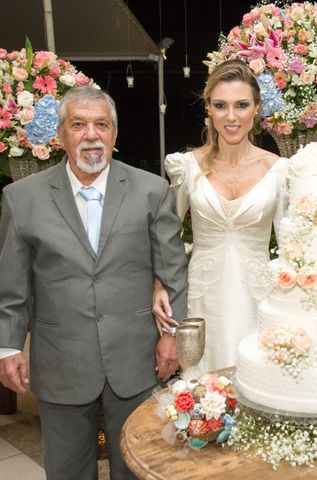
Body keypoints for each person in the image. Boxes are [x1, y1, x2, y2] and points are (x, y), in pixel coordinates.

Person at [0, 86, 188, 479]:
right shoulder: (22, 198)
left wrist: (171, 337)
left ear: (114, 134)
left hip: (138, 360)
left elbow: (172, 273)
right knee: (67, 471)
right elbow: (12, 288)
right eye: (79, 124)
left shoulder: (151, 191)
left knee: (137, 467)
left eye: (101, 124)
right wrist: (7, 346)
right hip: (61, 361)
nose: (91, 135)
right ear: (61, 134)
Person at [156, 59, 287, 372]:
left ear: (257, 109)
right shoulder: (186, 166)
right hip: (202, 299)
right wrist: (160, 285)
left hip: (258, 299)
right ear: (209, 109)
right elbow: (165, 236)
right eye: (221, 105)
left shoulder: (279, 170)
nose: (231, 117)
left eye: (241, 105)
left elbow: (290, 247)